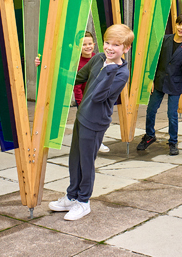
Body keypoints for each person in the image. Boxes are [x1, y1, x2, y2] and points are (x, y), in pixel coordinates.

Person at [49, 24, 133, 220]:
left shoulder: (121, 73)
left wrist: (109, 70)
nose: (110, 48)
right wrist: (48, 66)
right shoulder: (98, 58)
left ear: (126, 48)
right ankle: (71, 196)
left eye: (116, 45)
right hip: (82, 117)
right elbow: (77, 78)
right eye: (107, 43)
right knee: (74, 160)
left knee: (86, 163)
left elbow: (98, 97)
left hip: (96, 122)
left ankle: (83, 202)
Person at [137, 14, 182, 156]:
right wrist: (151, 79)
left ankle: (173, 141)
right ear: (176, 24)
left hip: (175, 84)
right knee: (150, 110)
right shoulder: (165, 40)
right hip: (159, 81)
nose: (181, 28)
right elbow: (155, 61)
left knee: (172, 115)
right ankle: (149, 136)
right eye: (179, 24)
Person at [35, 31, 109, 153]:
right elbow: (77, 86)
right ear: (77, 47)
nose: (88, 47)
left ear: (94, 44)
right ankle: (93, 143)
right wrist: (40, 61)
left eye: (90, 43)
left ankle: (93, 142)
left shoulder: (98, 58)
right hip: (85, 99)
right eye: (84, 44)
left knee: (99, 121)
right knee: (89, 122)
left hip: (97, 97)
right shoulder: (76, 62)